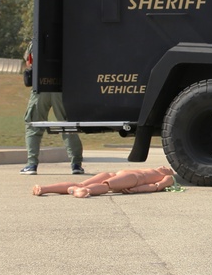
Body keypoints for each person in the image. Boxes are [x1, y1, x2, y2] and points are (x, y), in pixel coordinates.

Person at [20, 44, 84, 175]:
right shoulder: (68, 38)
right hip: (61, 89)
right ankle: (76, 164)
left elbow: (29, 62)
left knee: (33, 125)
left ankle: (31, 164)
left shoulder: (35, 42)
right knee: (68, 125)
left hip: (41, 87)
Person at [31, 166, 176, 198]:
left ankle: (86, 191)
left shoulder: (166, 177)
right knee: (81, 183)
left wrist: (137, 189)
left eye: (168, 168)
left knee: (106, 186)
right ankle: (44, 189)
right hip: (118, 174)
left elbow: (157, 186)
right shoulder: (153, 169)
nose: (166, 167)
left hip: (133, 180)